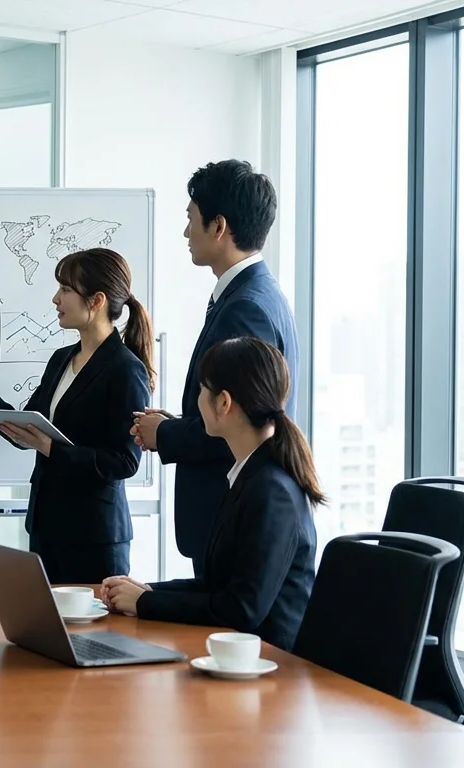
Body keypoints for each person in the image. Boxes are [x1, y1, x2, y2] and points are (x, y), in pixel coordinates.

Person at [0, 248, 155, 583]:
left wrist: (53, 449)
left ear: (96, 301)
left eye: (65, 290)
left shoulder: (125, 370)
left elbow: (124, 462)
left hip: (93, 536)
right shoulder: (62, 359)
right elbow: (27, 430)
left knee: (93, 634)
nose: (56, 299)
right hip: (47, 526)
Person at [131, 160, 298, 578]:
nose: (186, 232)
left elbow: (240, 422)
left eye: (191, 219)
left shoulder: (245, 307)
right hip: (229, 509)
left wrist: (164, 434)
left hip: (229, 511)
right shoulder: (255, 294)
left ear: (218, 225)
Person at [103, 337, 320, 652]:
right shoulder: (250, 475)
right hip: (238, 656)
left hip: (270, 668)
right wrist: (147, 591)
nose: (197, 402)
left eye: (202, 390)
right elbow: (216, 587)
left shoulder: (272, 492)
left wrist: (147, 602)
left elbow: (242, 609)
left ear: (223, 403)